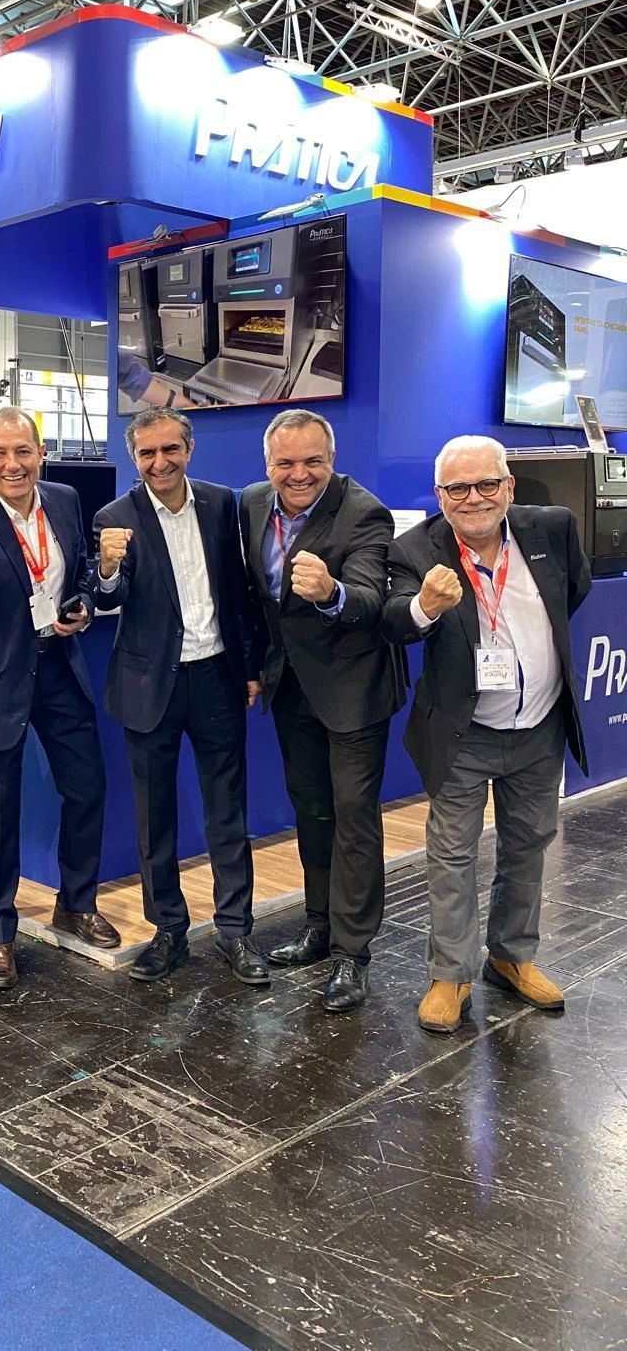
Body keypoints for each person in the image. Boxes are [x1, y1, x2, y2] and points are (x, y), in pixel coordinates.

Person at [383, 436, 590, 1034]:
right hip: (462, 733)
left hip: (540, 727)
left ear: (509, 487)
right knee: (451, 855)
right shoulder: (414, 549)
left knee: (528, 845)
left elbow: (570, 594)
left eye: (485, 485)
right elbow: (396, 622)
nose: (472, 498)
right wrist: (424, 605)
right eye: (456, 488)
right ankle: (451, 973)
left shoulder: (551, 529)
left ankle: (511, 956)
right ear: (441, 495)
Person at [0, 408, 121, 989]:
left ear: (40, 453)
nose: (13, 464)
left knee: (87, 787)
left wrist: (85, 605)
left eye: (23, 452)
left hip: (58, 667)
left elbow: (78, 576)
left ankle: (77, 902)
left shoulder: (64, 500)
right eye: (0, 454)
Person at [239, 409, 405, 1013]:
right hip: (292, 688)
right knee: (311, 812)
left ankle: (353, 954)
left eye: (313, 461)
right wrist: (254, 664)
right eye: (286, 463)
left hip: (354, 688)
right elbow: (258, 599)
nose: (299, 473)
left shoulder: (363, 512)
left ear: (331, 462)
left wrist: (331, 593)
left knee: (354, 817)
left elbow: (370, 596)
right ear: (268, 466)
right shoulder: (254, 503)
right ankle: (319, 925)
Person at [93, 410, 266, 984]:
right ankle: (168, 931)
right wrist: (108, 567)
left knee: (227, 810)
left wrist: (248, 666)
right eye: (147, 454)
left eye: (170, 450)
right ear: (134, 458)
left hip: (216, 676)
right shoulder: (114, 518)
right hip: (148, 686)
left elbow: (239, 591)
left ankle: (235, 932)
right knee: (155, 816)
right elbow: (104, 599)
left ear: (189, 449)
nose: (159, 463)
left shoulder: (223, 505)